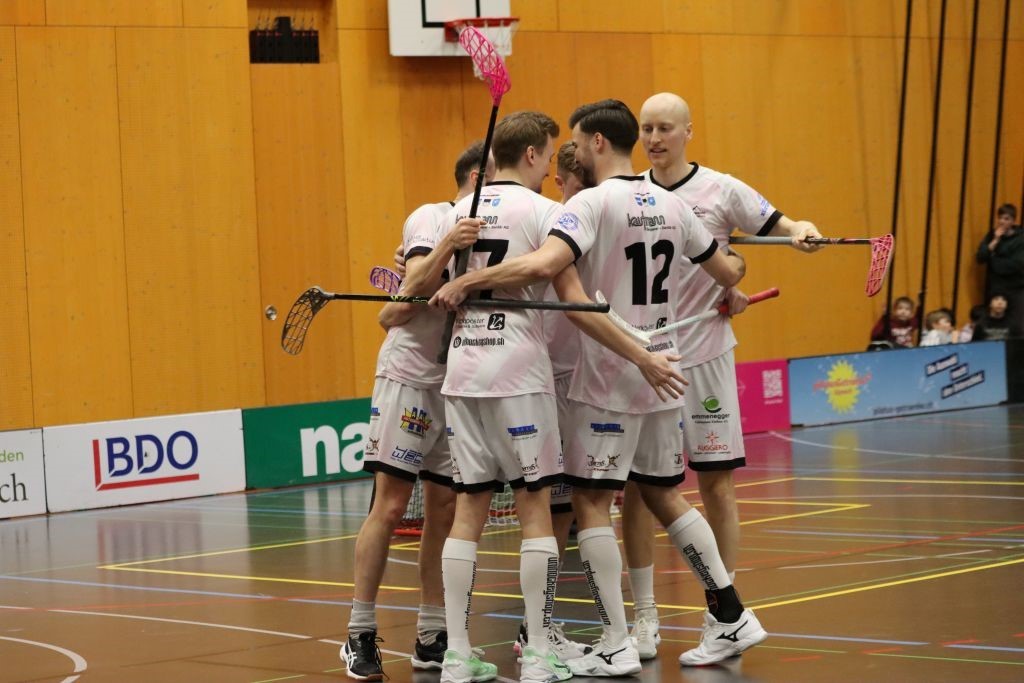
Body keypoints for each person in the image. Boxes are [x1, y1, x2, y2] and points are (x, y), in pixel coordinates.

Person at [432, 99, 766, 672]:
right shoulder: (673, 203)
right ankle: (730, 610)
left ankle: (616, 639)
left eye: (579, 140)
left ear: (598, 143)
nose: (571, 154)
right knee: (664, 494)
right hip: (664, 368)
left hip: (611, 373)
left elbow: (545, 267)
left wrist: (471, 281)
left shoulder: (589, 203)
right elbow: (727, 269)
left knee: (589, 501)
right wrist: (731, 283)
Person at [618, 92, 824, 661]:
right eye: (646, 129)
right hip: (649, 357)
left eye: (665, 128)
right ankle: (644, 619)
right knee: (640, 489)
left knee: (715, 484)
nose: (654, 139)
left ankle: (722, 615)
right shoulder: (628, 195)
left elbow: (780, 223)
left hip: (706, 352)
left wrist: (802, 230)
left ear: (688, 131)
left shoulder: (721, 189)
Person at [339, 141, 493, 681]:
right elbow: (411, 290)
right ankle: (359, 632)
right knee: (390, 504)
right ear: (475, 178)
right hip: (409, 377)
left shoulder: (502, 227)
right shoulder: (432, 217)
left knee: (444, 509)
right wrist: (452, 241)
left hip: (458, 383)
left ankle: (431, 636)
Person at [433, 111, 573, 683]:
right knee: (534, 507)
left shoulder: (459, 211)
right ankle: (537, 652)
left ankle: (457, 654)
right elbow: (558, 270)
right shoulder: (544, 210)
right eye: (548, 156)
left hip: (463, 368)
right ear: (534, 155)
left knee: (469, 508)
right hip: (518, 372)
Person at [513, 141, 594, 662]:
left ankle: (537, 628)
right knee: (551, 508)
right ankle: (533, 631)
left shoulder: (595, 217)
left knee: (572, 510)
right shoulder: (548, 224)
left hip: (589, 378)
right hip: (549, 380)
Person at [976, 204, 1024, 337]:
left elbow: (1015, 265)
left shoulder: (1021, 239)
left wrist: (993, 259)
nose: (1002, 222)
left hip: (1016, 288)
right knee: (993, 324)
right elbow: (980, 258)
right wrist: (995, 241)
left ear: (1013, 221)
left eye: (1006, 219)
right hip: (996, 288)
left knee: (1016, 324)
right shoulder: (992, 235)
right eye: (1000, 218)